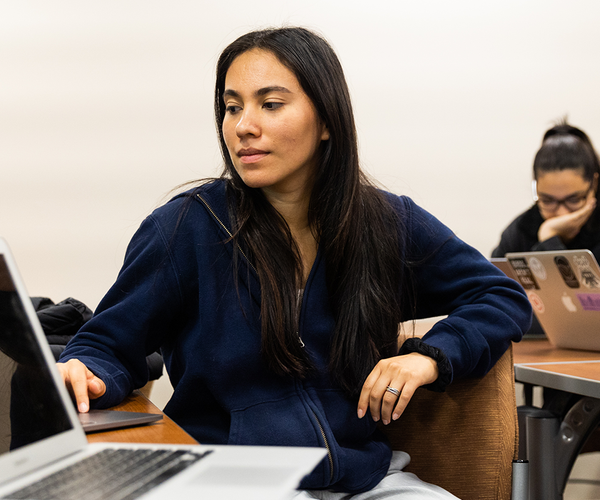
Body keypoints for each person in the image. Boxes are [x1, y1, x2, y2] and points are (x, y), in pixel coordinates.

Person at [57, 27, 531, 498]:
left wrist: (428, 358)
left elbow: (500, 295)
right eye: (232, 106)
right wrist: (83, 367)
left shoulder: (386, 222)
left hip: (363, 479)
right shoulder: (186, 227)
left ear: (326, 121)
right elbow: (106, 343)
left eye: (271, 103)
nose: (244, 125)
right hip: (232, 481)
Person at [492, 121, 600, 262]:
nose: (561, 213)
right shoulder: (519, 231)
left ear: (594, 184)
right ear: (536, 188)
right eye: (548, 201)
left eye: (574, 200)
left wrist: (549, 237)